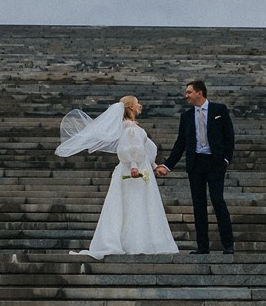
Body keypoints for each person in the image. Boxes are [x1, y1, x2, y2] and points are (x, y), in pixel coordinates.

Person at [54, 97, 178, 257]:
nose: (140, 105)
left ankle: (138, 240)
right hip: (134, 172)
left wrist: (154, 166)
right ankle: (135, 242)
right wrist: (134, 166)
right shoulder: (129, 127)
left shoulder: (130, 126)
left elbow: (144, 150)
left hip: (140, 169)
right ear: (131, 107)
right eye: (137, 103)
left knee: (135, 205)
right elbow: (130, 148)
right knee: (133, 204)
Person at [155, 79, 235, 255]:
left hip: (215, 163)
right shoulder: (186, 116)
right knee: (198, 205)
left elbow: (229, 137)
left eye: (189, 92)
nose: (186, 96)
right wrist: (167, 166)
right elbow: (180, 144)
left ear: (200, 92)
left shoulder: (219, 110)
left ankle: (228, 245)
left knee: (218, 201)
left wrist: (226, 160)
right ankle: (202, 247)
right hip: (196, 164)